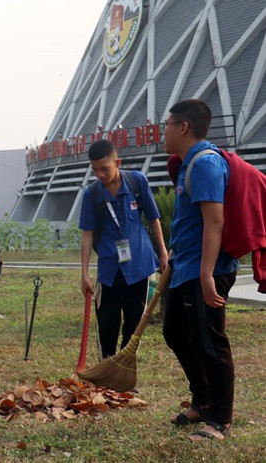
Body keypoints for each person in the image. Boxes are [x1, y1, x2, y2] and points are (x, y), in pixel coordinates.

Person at [162, 99, 237, 441]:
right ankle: (203, 400)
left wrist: (208, 275)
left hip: (205, 270)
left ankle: (220, 418)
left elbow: (215, 221)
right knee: (176, 332)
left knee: (210, 342)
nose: (163, 130)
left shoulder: (205, 164)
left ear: (183, 128)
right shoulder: (187, 163)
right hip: (186, 267)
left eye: (167, 124)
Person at [78, 139, 168, 359]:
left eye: (104, 169)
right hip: (109, 267)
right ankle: (106, 370)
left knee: (134, 321)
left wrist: (163, 254)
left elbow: (154, 218)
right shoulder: (92, 194)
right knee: (107, 320)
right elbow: (88, 234)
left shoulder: (137, 182)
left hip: (139, 263)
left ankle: (125, 369)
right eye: (95, 170)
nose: (100, 175)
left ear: (117, 162)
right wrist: (84, 273)